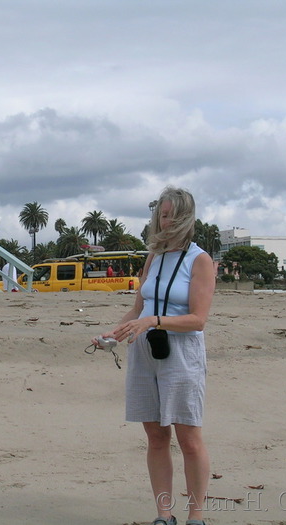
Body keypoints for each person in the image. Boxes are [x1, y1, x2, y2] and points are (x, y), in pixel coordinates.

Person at [93, 186, 215, 525]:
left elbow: (198, 319)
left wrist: (155, 320)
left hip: (181, 353)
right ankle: (164, 515)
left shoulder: (200, 260)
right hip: (145, 353)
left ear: (188, 219)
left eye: (174, 215)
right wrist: (113, 333)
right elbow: (137, 309)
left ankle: (196, 516)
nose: (167, 221)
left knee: (188, 438)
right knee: (156, 436)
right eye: (163, 214)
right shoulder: (154, 257)